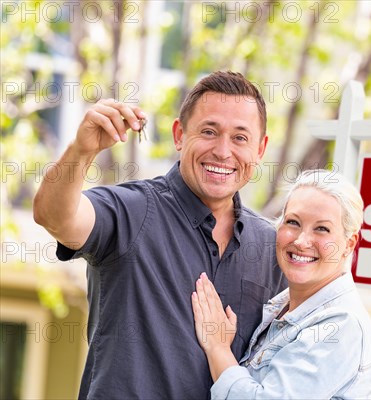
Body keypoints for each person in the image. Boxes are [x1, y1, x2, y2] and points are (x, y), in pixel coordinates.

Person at [33, 71, 287, 398]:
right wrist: (81, 152)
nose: (223, 152)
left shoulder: (272, 247)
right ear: (179, 135)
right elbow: (54, 216)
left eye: (240, 138)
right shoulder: (132, 212)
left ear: (260, 149)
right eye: (209, 131)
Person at [192, 169, 371, 399]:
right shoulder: (280, 307)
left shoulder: (340, 325)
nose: (301, 241)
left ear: (349, 244)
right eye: (293, 222)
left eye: (322, 228)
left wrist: (219, 349)